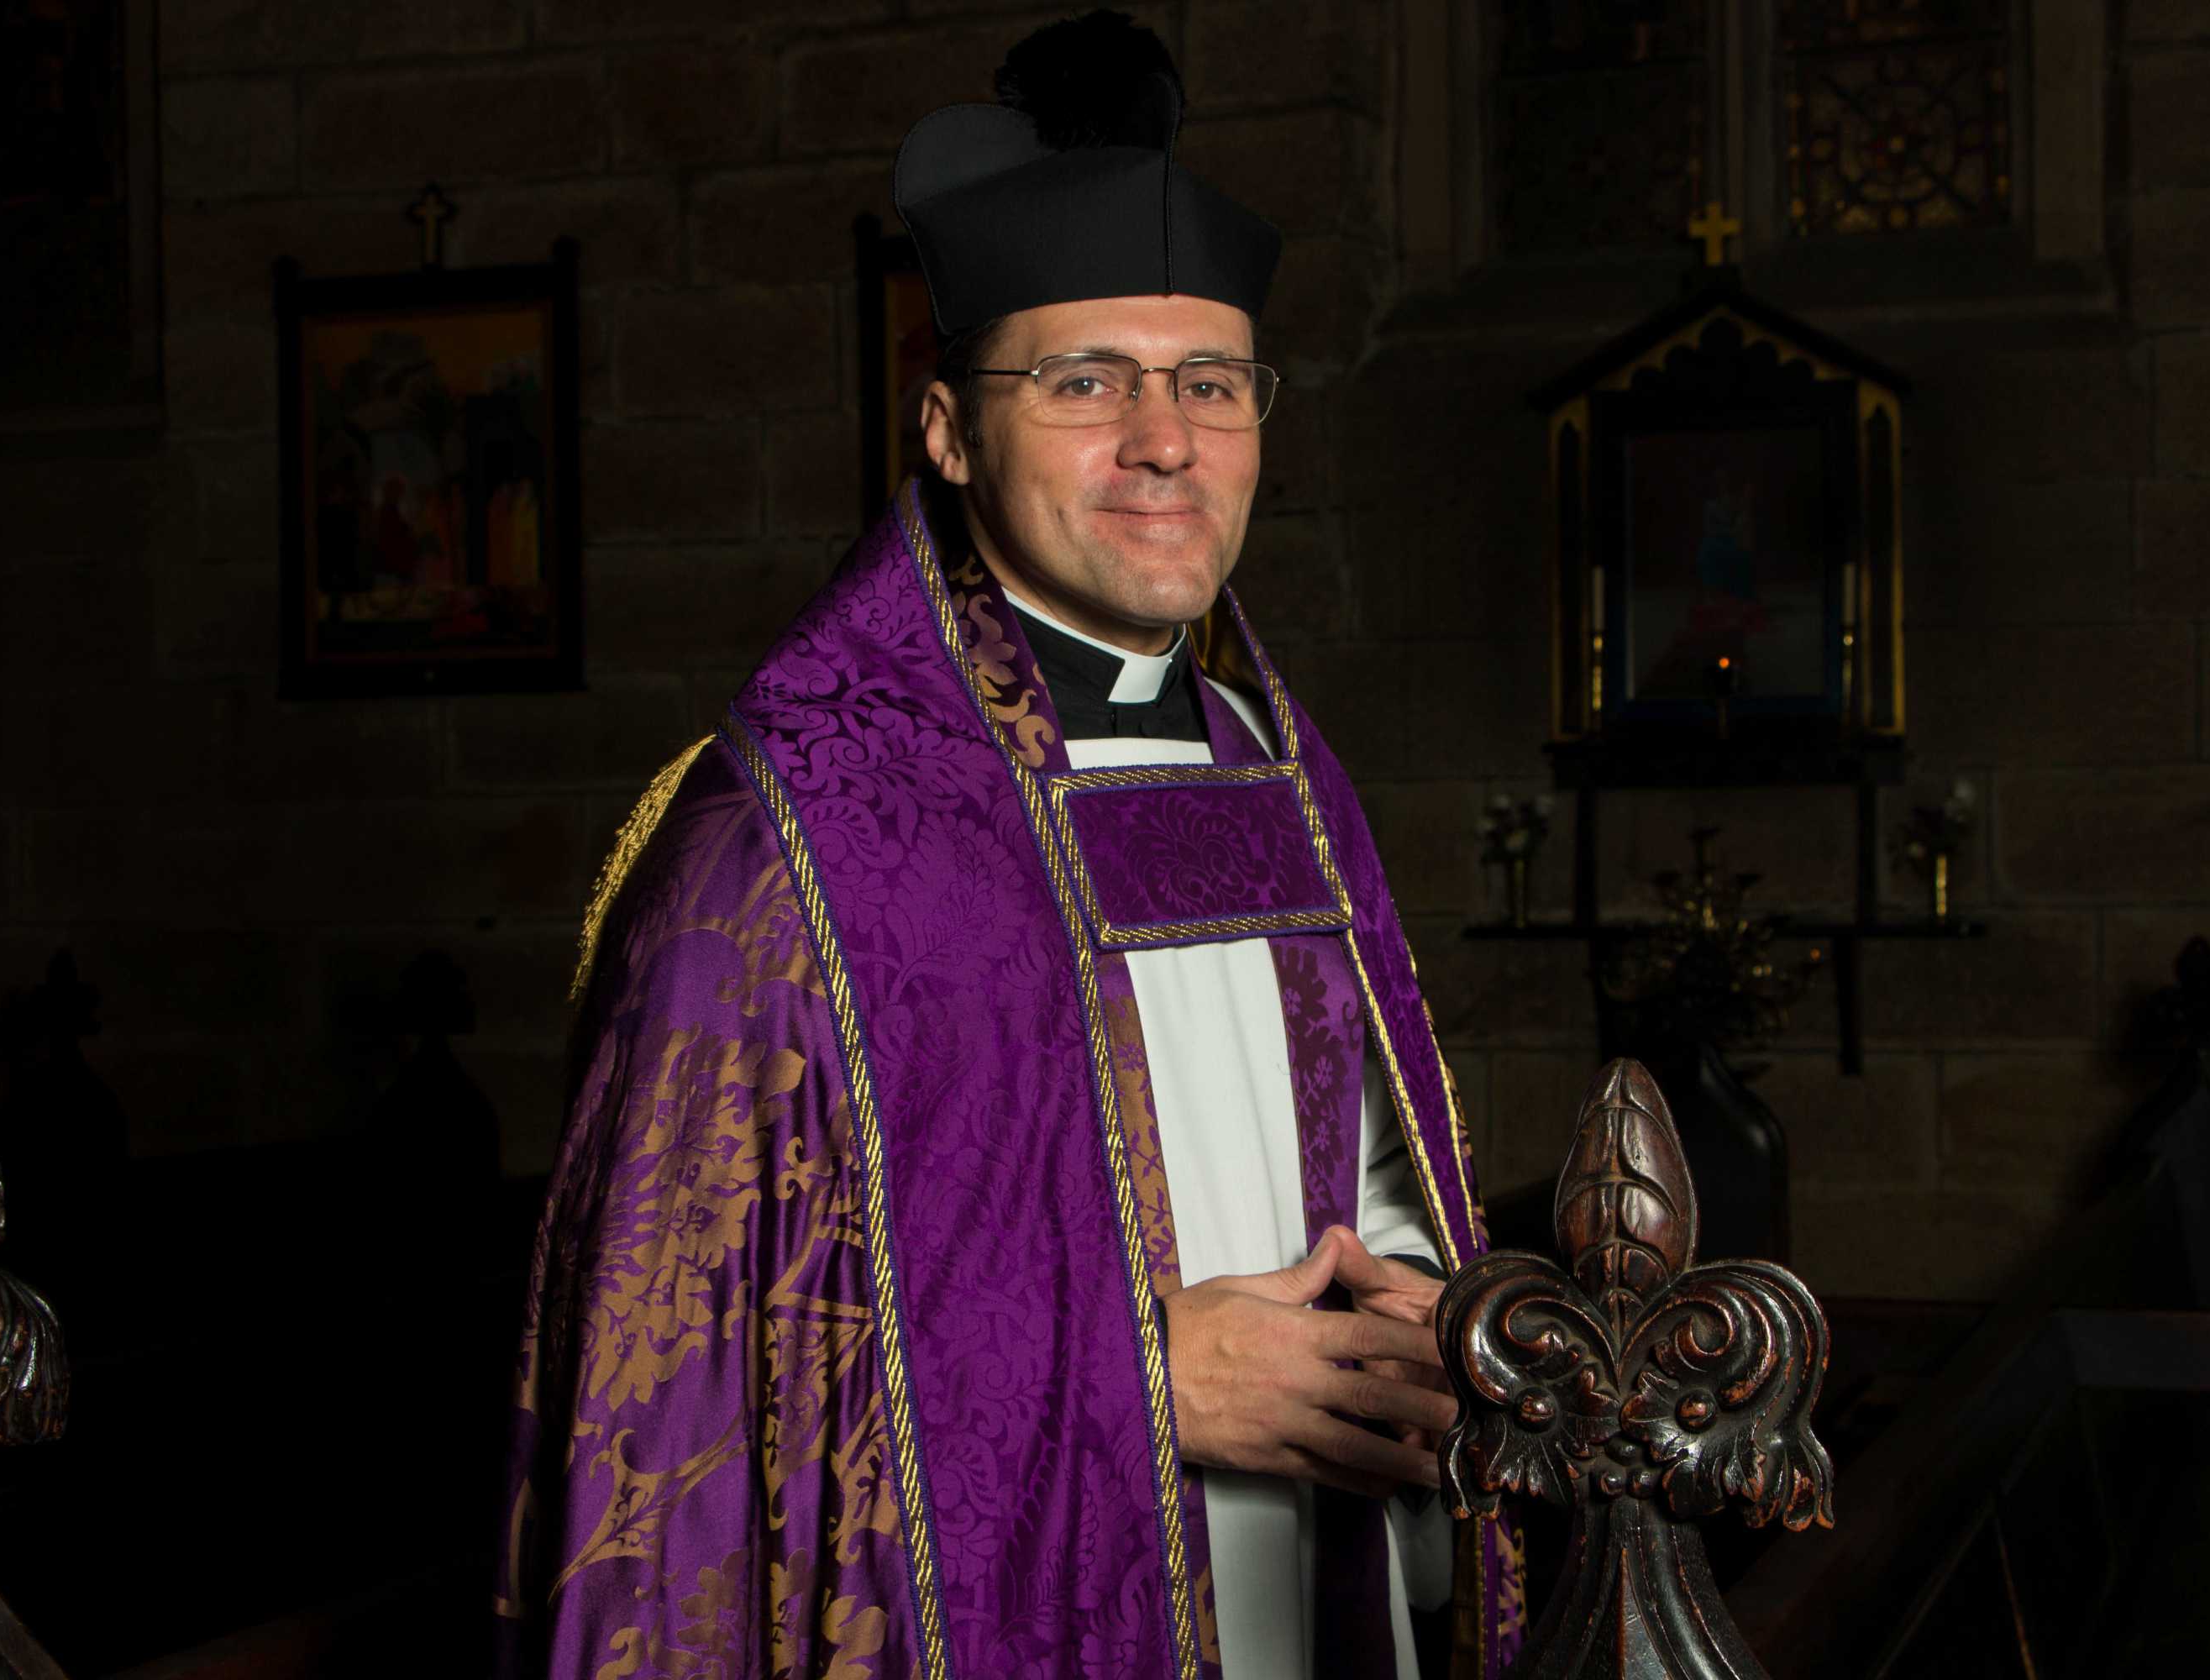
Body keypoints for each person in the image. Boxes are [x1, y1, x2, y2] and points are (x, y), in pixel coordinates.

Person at [496, 13, 1522, 1677]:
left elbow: (1378, 1181)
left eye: (1211, 384)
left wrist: (1427, 1317)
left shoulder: (1283, 779)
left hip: (1324, 1583)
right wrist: (1138, 1377)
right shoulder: (778, 846)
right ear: (949, 430)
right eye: (1085, 380)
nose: (1165, 440)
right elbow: (682, 1364)